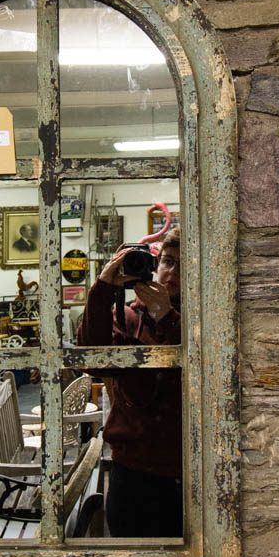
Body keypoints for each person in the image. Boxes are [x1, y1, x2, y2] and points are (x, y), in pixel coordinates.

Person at [77, 226, 182, 538]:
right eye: (167, 261)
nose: (171, 271)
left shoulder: (205, 316)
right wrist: (102, 289)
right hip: (133, 470)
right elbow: (92, 361)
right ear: (155, 265)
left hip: (188, 467)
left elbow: (204, 365)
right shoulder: (128, 317)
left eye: (181, 263)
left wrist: (166, 316)